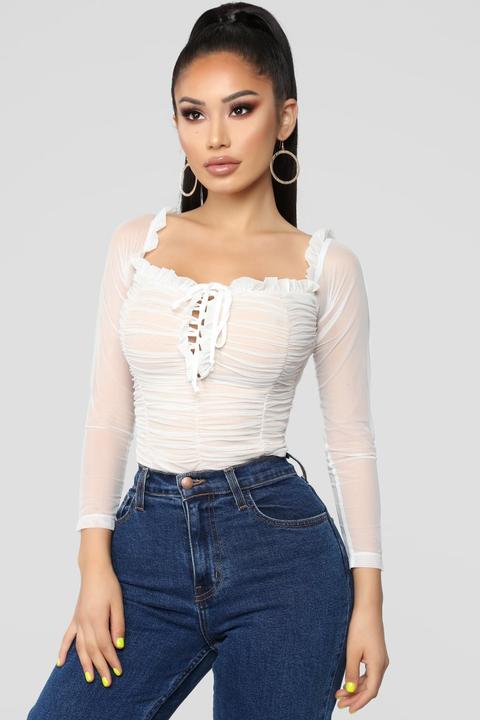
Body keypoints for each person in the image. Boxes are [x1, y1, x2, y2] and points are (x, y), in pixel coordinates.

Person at [27, 3, 389, 719]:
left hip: (283, 561)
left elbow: (350, 441)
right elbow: (108, 415)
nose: (216, 137)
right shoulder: (138, 244)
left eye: (240, 109)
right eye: (193, 114)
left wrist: (370, 605)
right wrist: (93, 564)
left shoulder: (325, 266)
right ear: (176, 125)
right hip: (144, 548)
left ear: (285, 118)